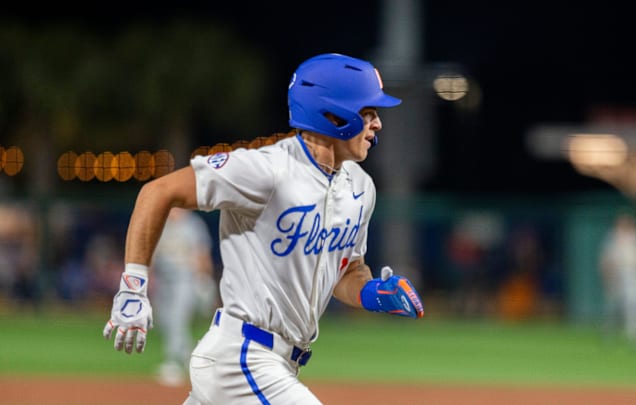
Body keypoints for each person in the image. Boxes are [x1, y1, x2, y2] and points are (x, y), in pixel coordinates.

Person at [102, 53, 425, 404]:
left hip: (279, 363)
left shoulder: (361, 188)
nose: (377, 124)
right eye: (368, 112)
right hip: (240, 359)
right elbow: (158, 192)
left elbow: (347, 272)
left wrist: (373, 292)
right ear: (333, 114)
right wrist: (133, 285)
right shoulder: (267, 170)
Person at [151, 207, 216, 386]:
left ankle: (173, 362)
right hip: (163, 279)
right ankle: (192, 360)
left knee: (177, 319)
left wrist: (204, 279)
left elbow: (202, 254)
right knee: (163, 320)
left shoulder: (193, 224)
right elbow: (152, 254)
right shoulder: (160, 223)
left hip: (186, 279)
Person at [598, 212, 636, 347]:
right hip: (617, 274)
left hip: (634, 274)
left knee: (635, 306)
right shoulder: (612, 238)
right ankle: (608, 334)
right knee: (613, 307)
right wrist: (607, 275)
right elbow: (606, 259)